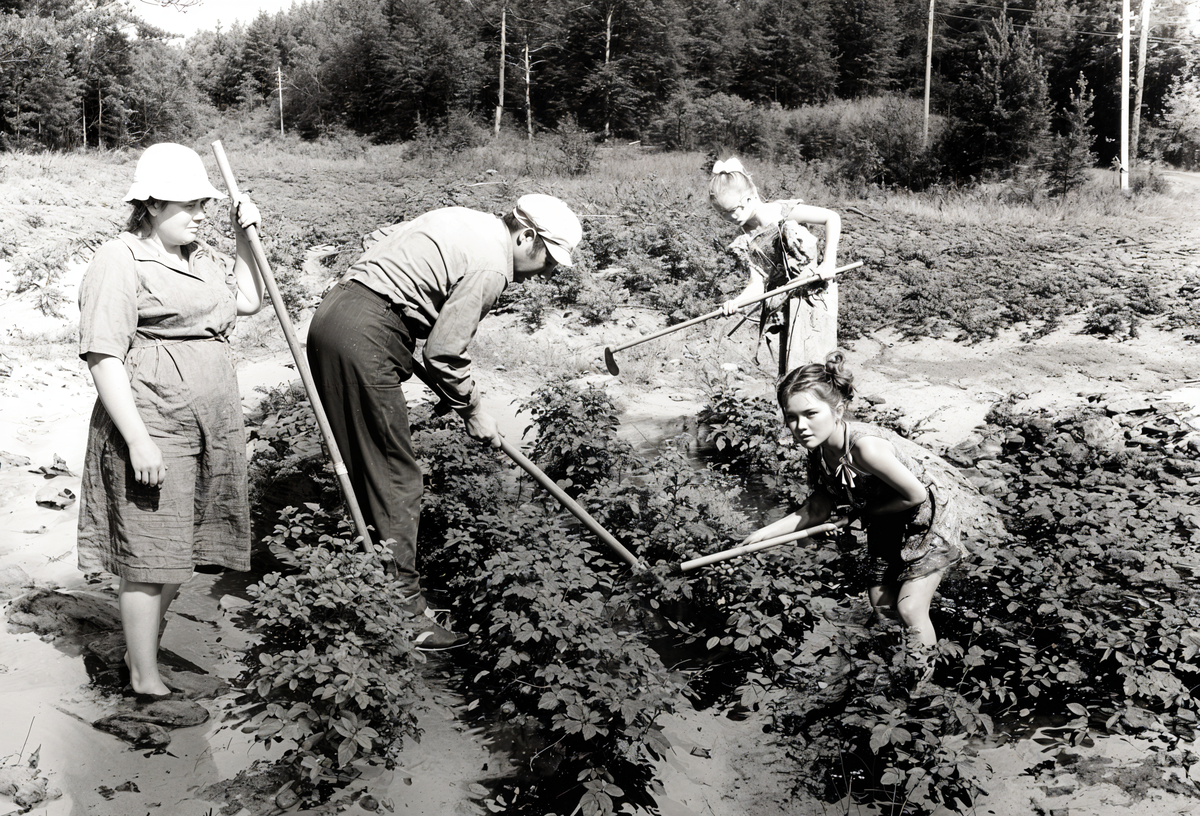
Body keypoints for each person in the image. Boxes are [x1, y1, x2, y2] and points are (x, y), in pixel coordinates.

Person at [305, 194, 582, 650]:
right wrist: (472, 411)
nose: (549, 272)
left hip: (339, 314)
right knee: (395, 477)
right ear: (526, 236)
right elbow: (444, 353)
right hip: (365, 334)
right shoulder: (493, 267)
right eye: (549, 259)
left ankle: (370, 589)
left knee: (369, 468)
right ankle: (405, 616)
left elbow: (384, 251)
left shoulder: (465, 218)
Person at [77, 142, 265, 700]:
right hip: (154, 419)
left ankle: (144, 653)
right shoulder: (119, 259)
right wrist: (138, 441)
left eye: (206, 204)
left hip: (209, 424)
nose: (201, 214)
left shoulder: (198, 256)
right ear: (153, 204)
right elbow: (103, 355)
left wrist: (242, 240)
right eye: (190, 206)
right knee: (150, 553)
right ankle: (143, 678)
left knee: (177, 553)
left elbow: (248, 302)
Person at [737, 353, 962, 650]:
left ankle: (922, 687)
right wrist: (761, 536)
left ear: (838, 410)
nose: (800, 426)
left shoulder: (865, 448)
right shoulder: (818, 453)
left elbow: (915, 495)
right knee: (882, 605)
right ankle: (899, 661)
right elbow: (817, 508)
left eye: (810, 414)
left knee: (910, 609)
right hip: (885, 517)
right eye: (791, 417)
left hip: (925, 520)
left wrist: (859, 513)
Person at [708, 157, 842, 378]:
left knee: (818, 371)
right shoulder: (746, 240)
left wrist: (829, 262)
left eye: (734, 209)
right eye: (723, 213)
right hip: (781, 306)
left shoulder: (782, 212)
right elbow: (757, 284)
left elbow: (832, 218)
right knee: (792, 377)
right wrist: (737, 303)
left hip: (814, 296)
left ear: (751, 197)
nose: (731, 217)